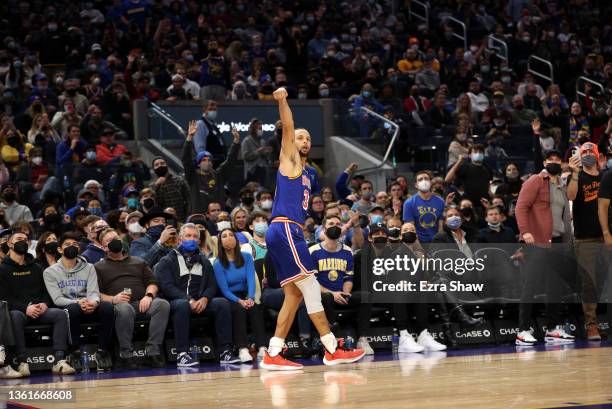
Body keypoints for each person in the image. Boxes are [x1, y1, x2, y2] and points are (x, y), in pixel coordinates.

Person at [261, 87, 364, 371]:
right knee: (309, 286)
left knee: (294, 295)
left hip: (286, 232)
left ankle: (273, 352)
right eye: (299, 137)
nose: (304, 141)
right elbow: (289, 126)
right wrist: (283, 101)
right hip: (284, 229)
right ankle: (331, 347)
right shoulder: (290, 161)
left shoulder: (308, 174)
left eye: (308, 138)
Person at [155, 223, 239, 367]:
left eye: (195, 237)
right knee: (182, 305)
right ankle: (182, 354)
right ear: (180, 239)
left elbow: (212, 285)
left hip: (200, 302)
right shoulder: (166, 261)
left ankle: (225, 351)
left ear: (199, 241)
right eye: (188, 236)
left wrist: (205, 298)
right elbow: (167, 287)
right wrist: (189, 300)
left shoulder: (204, 262)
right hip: (177, 302)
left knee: (222, 303)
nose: (192, 239)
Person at [515, 150, 575, 346]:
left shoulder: (560, 184)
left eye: (558, 160)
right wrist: (525, 232)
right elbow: (521, 207)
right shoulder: (535, 180)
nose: (555, 162)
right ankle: (522, 330)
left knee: (555, 287)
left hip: (557, 242)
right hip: (537, 241)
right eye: (551, 159)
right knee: (530, 285)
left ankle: (552, 329)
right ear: (544, 162)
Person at [0, 231, 76, 376]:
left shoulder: (37, 267)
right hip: (19, 311)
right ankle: (22, 362)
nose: (23, 242)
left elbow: (46, 291)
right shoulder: (2, 269)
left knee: (59, 314)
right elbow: (4, 298)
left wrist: (45, 304)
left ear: (29, 244)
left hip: (39, 309)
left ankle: (59, 361)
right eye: (19, 239)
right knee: (15, 316)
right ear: (9, 244)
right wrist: (25, 308)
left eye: (25, 239)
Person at [95, 228, 170, 369]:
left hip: (142, 302)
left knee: (162, 304)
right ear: (104, 247)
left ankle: (153, 351)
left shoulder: (138, 261)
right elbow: (95, 293)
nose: (115, 242)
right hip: (120, 304)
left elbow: (152, 283)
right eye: (110, 241)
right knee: (124, 309)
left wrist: (148, 296)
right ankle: (126, 354)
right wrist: (112, 299)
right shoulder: (98, 267)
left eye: (116, 238)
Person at [43, 232, 114, 371]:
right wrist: (78, 302)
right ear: (59, 249)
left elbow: (93, 292)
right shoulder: (50, 272)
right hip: (71, 307)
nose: (72, 247)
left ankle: (103, 351)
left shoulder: (89, 267)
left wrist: (94, 303)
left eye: (75, 244)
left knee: (107, 307)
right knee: (72, 310)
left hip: (89, 305)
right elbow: (57, 299)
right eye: (67, 245)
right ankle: (74, 352)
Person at [310, 216, 374, 355]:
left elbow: (348, 277)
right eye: (331, 223)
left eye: (338, 224)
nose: (335, 226)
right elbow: (312, 282)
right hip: (322, 296)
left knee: (365, 296)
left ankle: (362, 338)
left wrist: (346, 292)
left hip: (341, 294)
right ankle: (333, 339)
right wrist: (333, 294)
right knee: (326, 297)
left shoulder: (347, 251)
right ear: (323, 229)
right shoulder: (313, 251)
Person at [566, 142, 604, 341]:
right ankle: (591, 326)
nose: (588, 154)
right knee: (589, 283)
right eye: (584, 152)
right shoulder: (577, 176)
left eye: (591, 151)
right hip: (584, 237)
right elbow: (570, 196)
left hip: (607, 236)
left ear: (598, 156)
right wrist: (574, 172)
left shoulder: (606, 177)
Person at [391, 222, 447, 352]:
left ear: (416, 235)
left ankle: (423, 335)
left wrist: (425, 281)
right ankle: (403, 336)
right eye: (405, 230)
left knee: (426, 290)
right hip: (397, 292)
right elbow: (398, 279)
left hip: (416, 290)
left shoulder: (421, 254)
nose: (409, 232)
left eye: (411, 230)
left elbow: (426, 276)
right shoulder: (396, 254)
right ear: (400, 235)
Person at [214, 228, 268, 362]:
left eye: (231, 235)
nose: (228, 238)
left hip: (246, 293)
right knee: (239, 310)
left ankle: (262, 347)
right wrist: (240, 301)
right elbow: (224, 290)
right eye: (224, 236)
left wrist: (250, 297)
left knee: (255, 308)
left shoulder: (246, 257)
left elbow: (251, 279)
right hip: (230, 296)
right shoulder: (218, 263)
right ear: (220, 242)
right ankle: (242, 349)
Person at [183, 122, 240, 214]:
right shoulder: (193, 177)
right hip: (199, 218)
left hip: (219, 218)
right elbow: (186, 160)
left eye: (209, 160)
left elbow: (230, 161)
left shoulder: (219, 175)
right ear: (198, 164)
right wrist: (189, 138)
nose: (207, 162)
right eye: (204, 160)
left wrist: (236, 142)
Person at [402, 171, 445, 243]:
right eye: (420, 179)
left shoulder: (440, 201)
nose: (424, 181)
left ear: (430, 183)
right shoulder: (409, 203)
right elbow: (410, 229)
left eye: (426, 178)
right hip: (417, 243)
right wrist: (419, 250)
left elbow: (440, 227)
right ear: (416, 185)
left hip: (436, 243)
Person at [150, 156, 190, 222]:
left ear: (166, 165)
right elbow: (152, 204)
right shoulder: (152, 186)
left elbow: (189, 199)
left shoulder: (179, 180)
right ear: (154, 169)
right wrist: (156, 185)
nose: (160, 166)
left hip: (183, 219)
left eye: (162, 163)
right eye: (156, 165)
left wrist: (187, 215)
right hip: (164, 221)